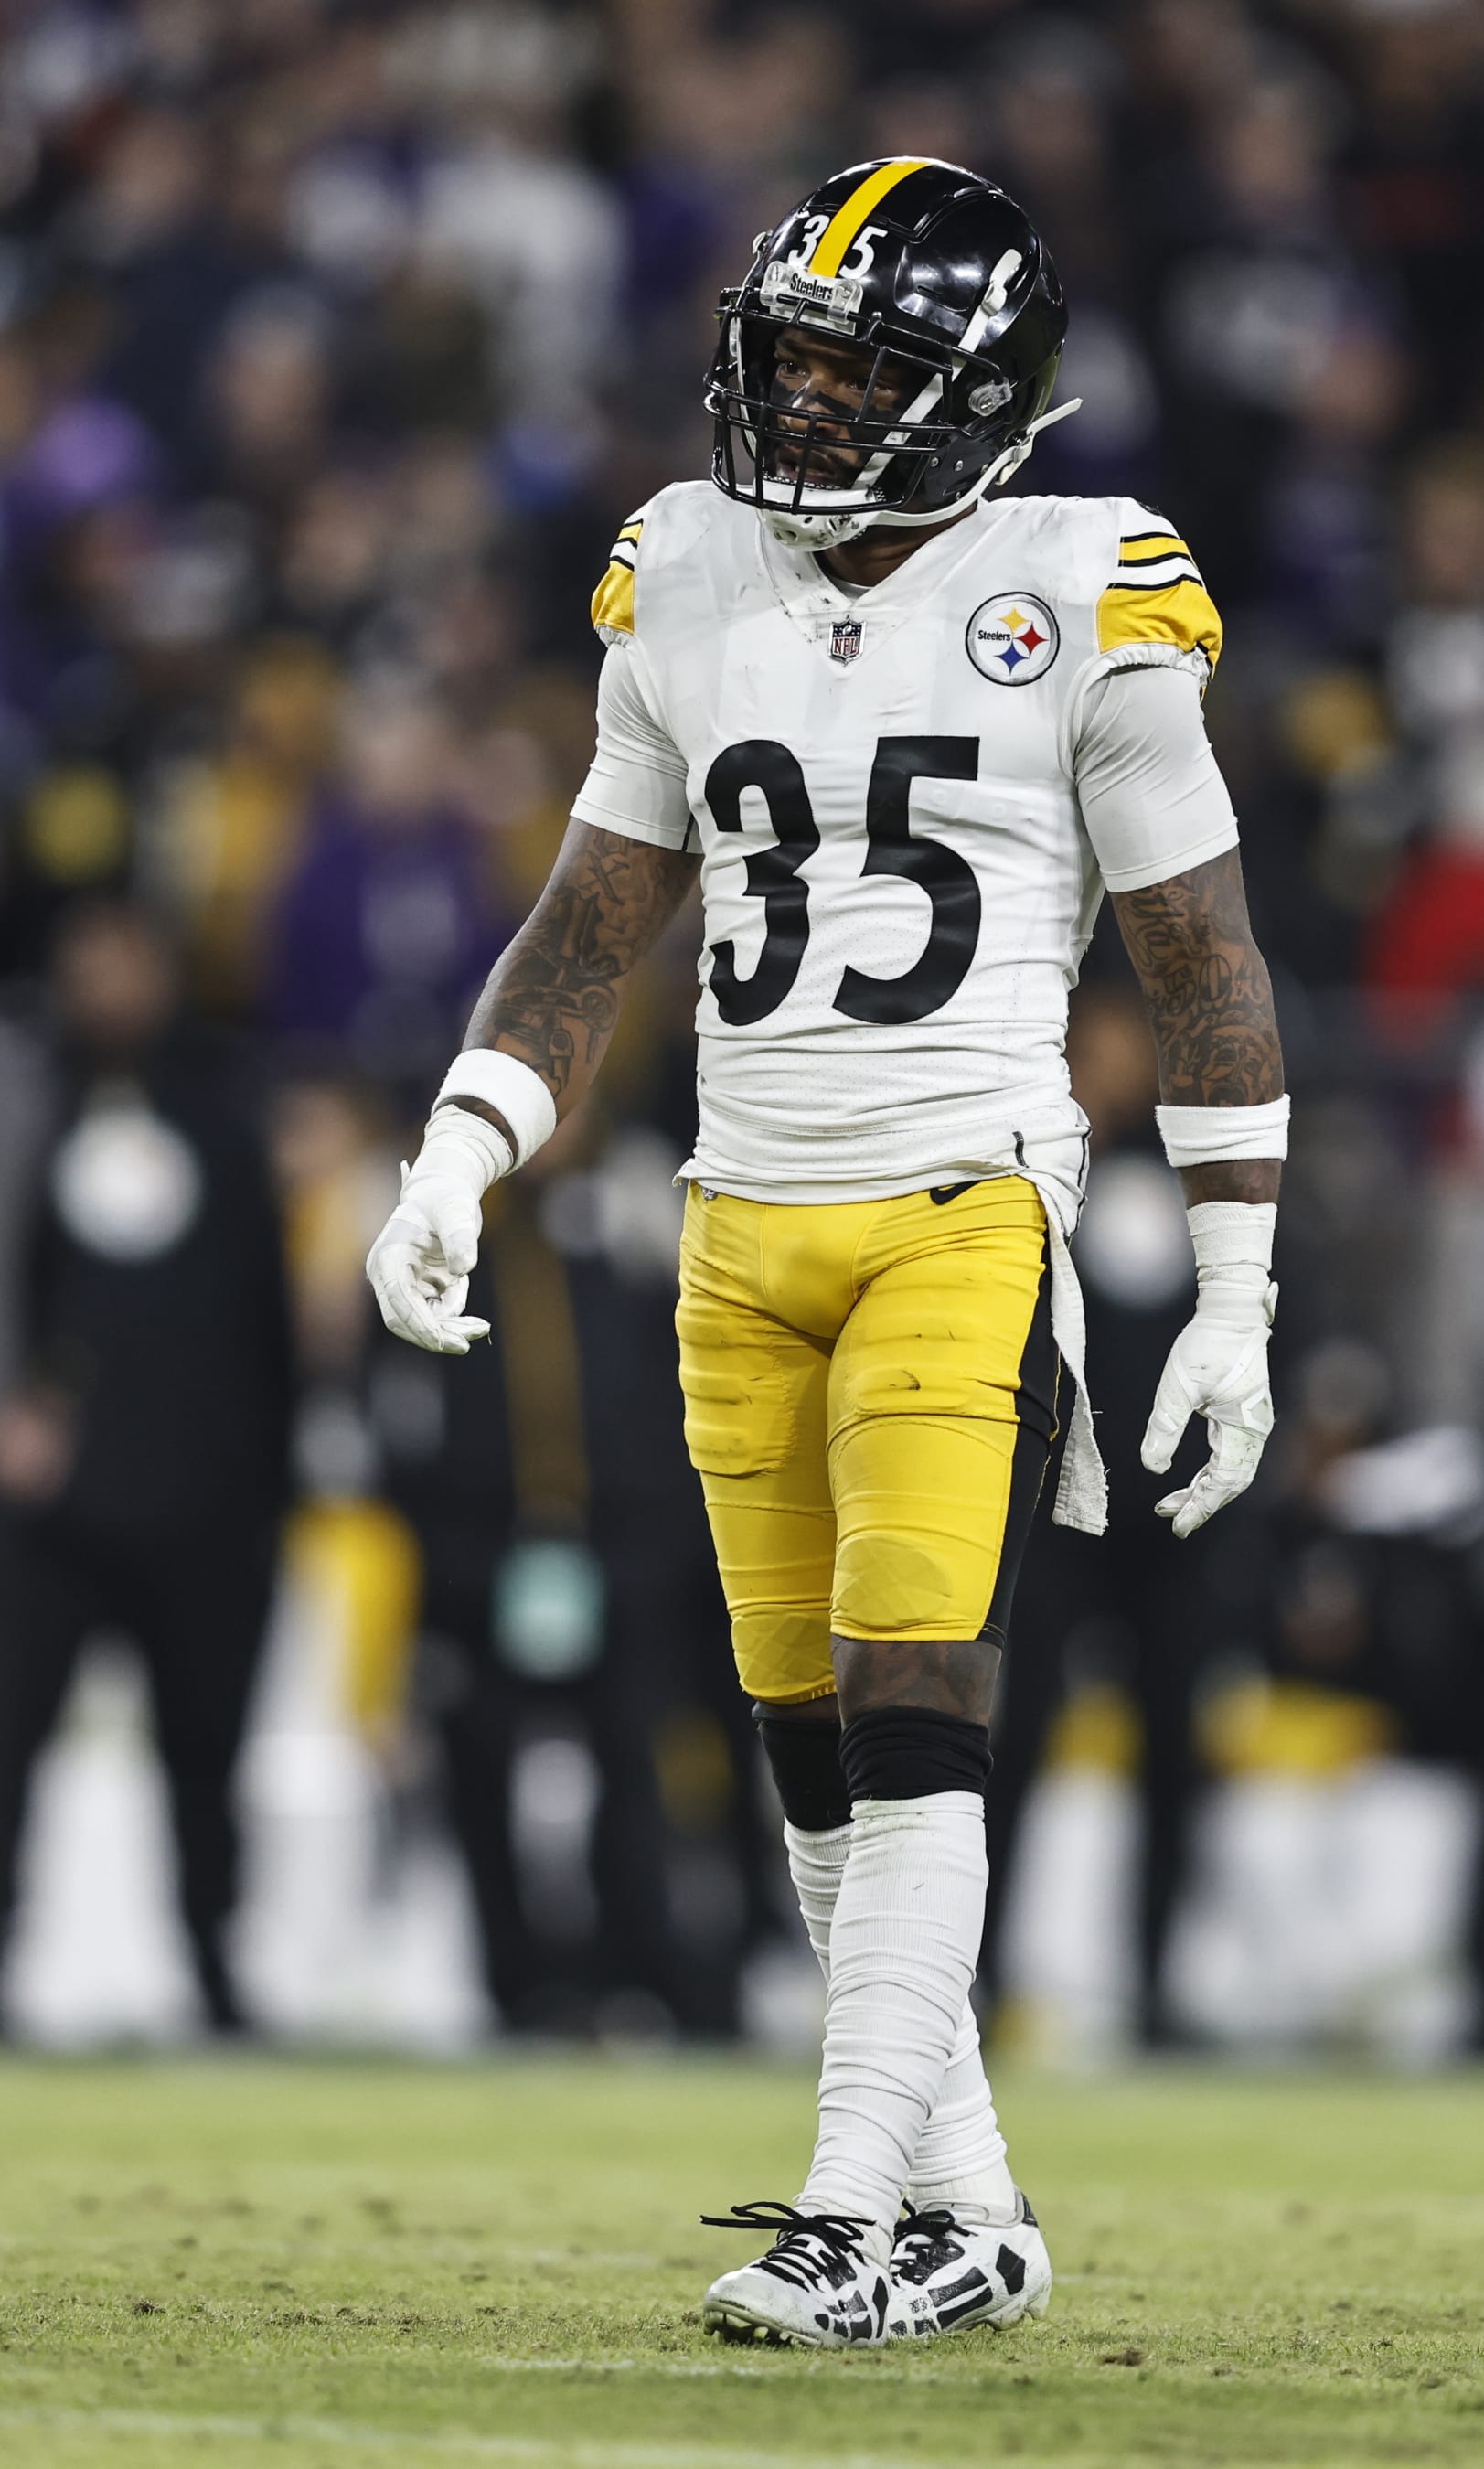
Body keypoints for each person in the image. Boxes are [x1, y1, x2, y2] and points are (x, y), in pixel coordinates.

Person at [368, 159, 1286, 2346]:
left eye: (858, 362)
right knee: (805, 1748)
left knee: (917, 1705)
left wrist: (1238, 1291)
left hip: (962, 1200)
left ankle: (852, 2207)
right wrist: (454, 1149)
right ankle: (968, 2206)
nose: (804, 392)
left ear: (977, 392)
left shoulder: (1087, 586)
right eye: (790, 348)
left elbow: (1208, 962)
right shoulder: (685, 567)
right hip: (735, 1221)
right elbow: (590, 926)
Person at [0, 902, 294, 2033]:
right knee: (13, 1742)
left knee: (208, 1757)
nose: (111, 986)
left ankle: (215, 1975)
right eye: (91, 966)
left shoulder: (227, 1109)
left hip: (210, 1504)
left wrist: (272, 1482)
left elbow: (263, 1314)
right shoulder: (30, 1104)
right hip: (49, 1510)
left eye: (132, 963)